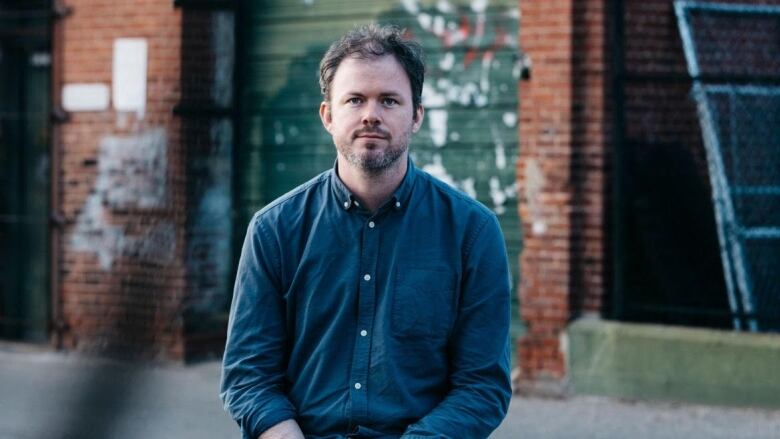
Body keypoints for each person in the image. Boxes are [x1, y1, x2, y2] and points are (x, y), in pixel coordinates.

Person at [220, 24, 512, 439]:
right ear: (328, 116)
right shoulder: (274, 230)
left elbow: (483, 386)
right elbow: (249, 375)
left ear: (416, 117)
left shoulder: (472, 231)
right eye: (354, 99)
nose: (370, 114)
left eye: (389, 100)